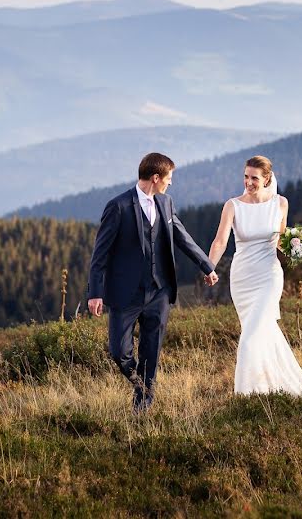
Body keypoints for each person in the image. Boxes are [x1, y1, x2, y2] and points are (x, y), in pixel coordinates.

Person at [87, 152, 219, 412]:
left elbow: (182, 238)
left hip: (159, 291)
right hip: (126, 293)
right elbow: (99, 254)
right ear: (156, 178)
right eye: (168, 178)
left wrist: (207, 266)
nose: (170, 183)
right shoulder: (119, 206)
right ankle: (142, 386)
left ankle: (143, 407)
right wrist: (95, 292)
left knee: (151, 350)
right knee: (119, 351)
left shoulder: (166, 203)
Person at [208, 155, 302, 398]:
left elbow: (280, 239)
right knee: (261, 331)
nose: (249, 182)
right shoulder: (233, 205)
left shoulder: (281, 203)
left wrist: (298, 246)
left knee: (251, 336)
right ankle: (270, 386)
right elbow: (220, 241)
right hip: (242, 278)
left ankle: (246, 395)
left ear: (267, 178)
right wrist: (209, 267)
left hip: (269, 276)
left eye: (254, 178)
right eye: (246, 177)